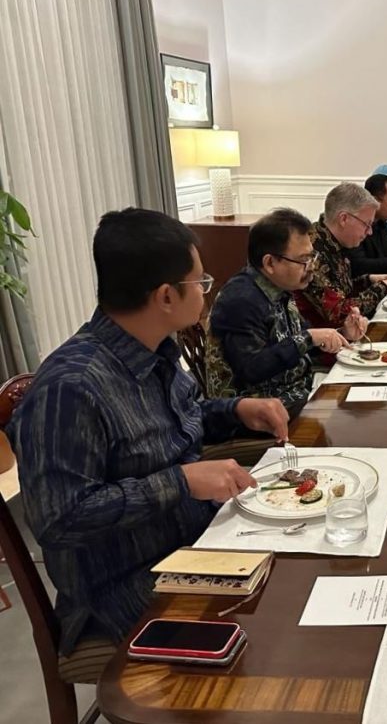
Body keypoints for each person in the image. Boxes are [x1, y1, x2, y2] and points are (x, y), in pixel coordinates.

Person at [6, 208, 290, 665]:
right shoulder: (70, 387)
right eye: (200, 283)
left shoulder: (152, 349)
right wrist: (182, 482)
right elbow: (58, 520)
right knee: (278, 645)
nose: (205, 291)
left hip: (194, 543)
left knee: (304, 569)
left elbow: (172, 422)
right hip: (126, 587)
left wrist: (236, 409)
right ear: (165, 296)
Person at [205, 208, 368, 417]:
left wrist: (341, 334)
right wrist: (308, 338)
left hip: (297, 390)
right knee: (354, 412)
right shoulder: (241, 300)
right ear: (270, 263)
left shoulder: (279, 287)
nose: (311, 268)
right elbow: (252, 370)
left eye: (312, 257)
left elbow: (300, 344)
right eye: (303, 260)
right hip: (263, 411)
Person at [296, 182, 387, 327]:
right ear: (344, 219)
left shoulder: (332, 239)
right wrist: (383, 287)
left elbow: (340, 289)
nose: (369, 232)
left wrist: (369, 280)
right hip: (324, 344)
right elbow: (339, 313)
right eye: (366, 225)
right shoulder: (312, 251)